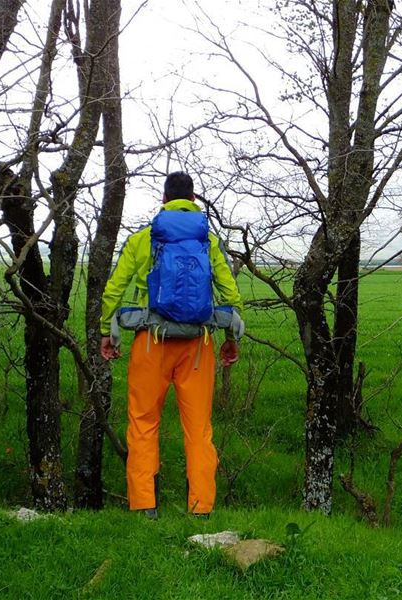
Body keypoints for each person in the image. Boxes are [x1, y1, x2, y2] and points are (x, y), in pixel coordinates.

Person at [99, 172, 243, 519]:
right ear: (193, 199)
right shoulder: (207, 240)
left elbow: (114, 289)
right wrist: (231, 338)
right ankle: (201, 509)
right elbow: (230, 293)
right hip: (198, 345)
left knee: (143, 423)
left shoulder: (144, 239)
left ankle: (144, 506)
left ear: (164, 199)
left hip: (151, 342)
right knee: (198, 429)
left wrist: (108, 329)